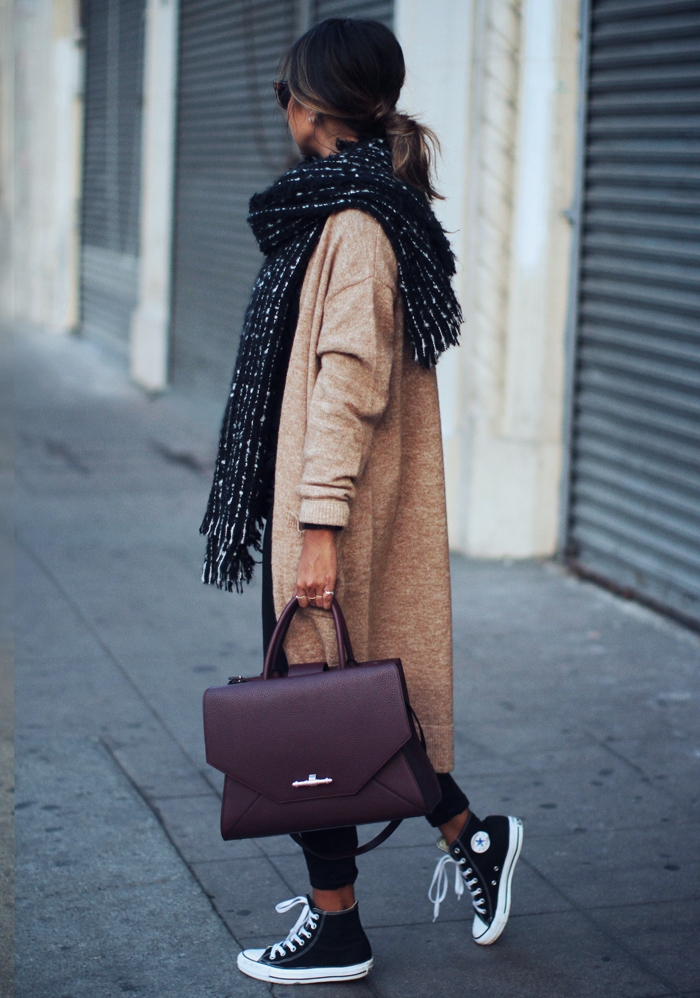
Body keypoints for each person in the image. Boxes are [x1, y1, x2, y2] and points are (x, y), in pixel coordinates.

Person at [200, 17, 523, 986]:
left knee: (316, 714)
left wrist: (317, 523)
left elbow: (348, 380)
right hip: (335, 497)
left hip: (337, 507)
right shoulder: (353, 210)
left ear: (314, 106)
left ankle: (339, 926)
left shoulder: (353, 225)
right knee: (355, 709)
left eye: (285, 93)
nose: (283, 110)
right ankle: (473, 839)